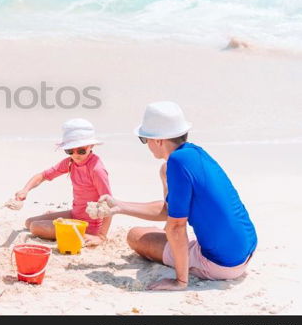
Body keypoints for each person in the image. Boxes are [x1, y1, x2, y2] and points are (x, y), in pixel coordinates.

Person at [100, 101, 257, 290]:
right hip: (245, 249)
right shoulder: (194, 154)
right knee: (163, 172)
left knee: (135, 236)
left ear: (158, 140)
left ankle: (185, 273)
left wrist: (180, 281)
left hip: (222, 264)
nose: (147, 144)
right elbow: (169, 210)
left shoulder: (176, 162)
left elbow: (176, 226)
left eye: (144, 139)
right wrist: (120, 206)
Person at [12, 119, 113, 247]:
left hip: (88, 226)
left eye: (81, 150)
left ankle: (80, 233)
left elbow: (110, 203)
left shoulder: (97, 169)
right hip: (75, 214)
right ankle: (64, 223)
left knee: (35, 227)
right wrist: (25, 190)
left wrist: (101, 236)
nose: (76, 155)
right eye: (70, 151)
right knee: (28, 222)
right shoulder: (71, 162)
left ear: (91, 146)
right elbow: (43, 175)